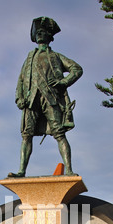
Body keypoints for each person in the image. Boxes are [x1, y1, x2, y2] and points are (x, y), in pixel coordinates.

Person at [8, 17, 83, 177]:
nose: (40, 34)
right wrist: (19, 98)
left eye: (44, 32)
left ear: (50, 36)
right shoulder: (29, 57)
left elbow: (77, 69)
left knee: (59, 133)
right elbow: (21, 80)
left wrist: (63, 82)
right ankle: (21, 171)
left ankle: (69, 170)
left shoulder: (56, 56)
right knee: (26, 135)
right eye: (38, 32)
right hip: (31, 99)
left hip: (50, 98)